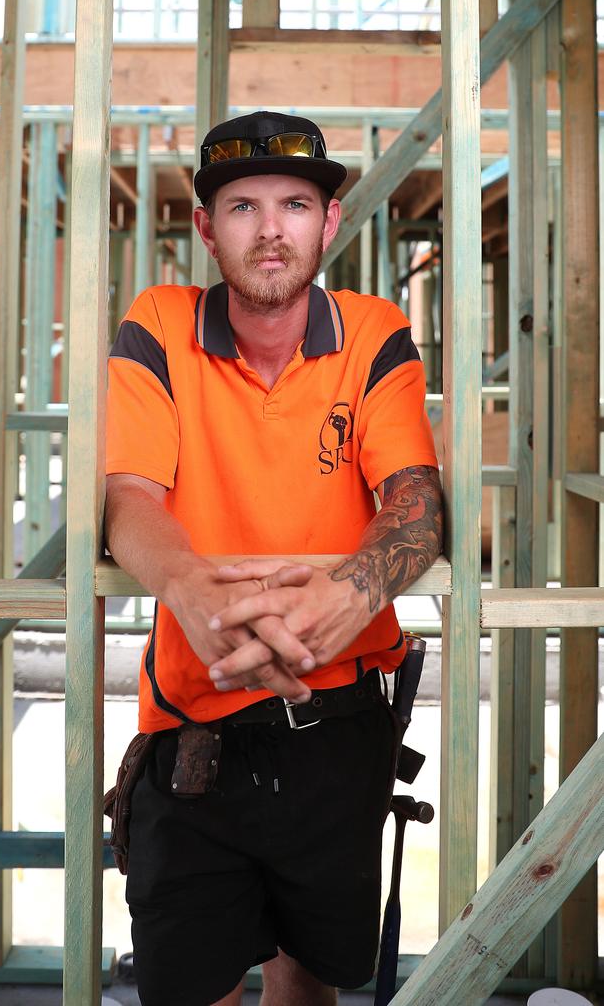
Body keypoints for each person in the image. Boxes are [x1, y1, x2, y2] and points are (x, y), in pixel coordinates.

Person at [104, 109, 442, 1006]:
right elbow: (129, 497)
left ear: (329, 224)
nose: (270, 229)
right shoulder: (159, 325)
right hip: (193, 723)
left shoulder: (373, 332)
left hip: (335, 725)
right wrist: (195, 592)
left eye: (295, 203)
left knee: (310, 989)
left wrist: (341, 598)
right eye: (242, 206)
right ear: (207, 228)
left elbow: (415, 501)